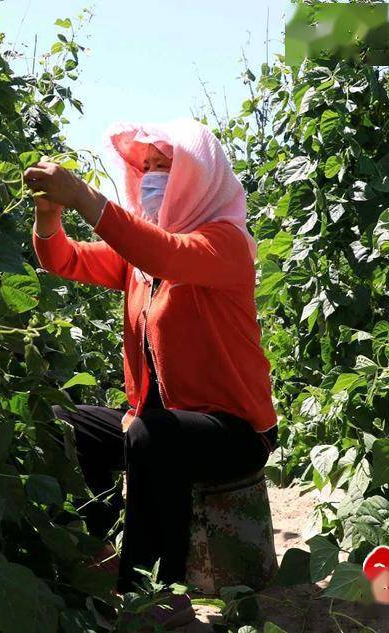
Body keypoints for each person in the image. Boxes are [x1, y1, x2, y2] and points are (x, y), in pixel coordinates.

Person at [23, 118, 277, 629]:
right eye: (146, 169)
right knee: (63, 422)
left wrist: (85, 197)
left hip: (233, 429)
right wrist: (49, 215)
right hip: (157, 421)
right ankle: (95, 561)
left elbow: (163, 252)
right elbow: (65, 259)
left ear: (200, 177)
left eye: (167, 168)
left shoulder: (225, 242)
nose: (154, 179)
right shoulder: (139, 261)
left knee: (151, 436)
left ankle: (152, 591)